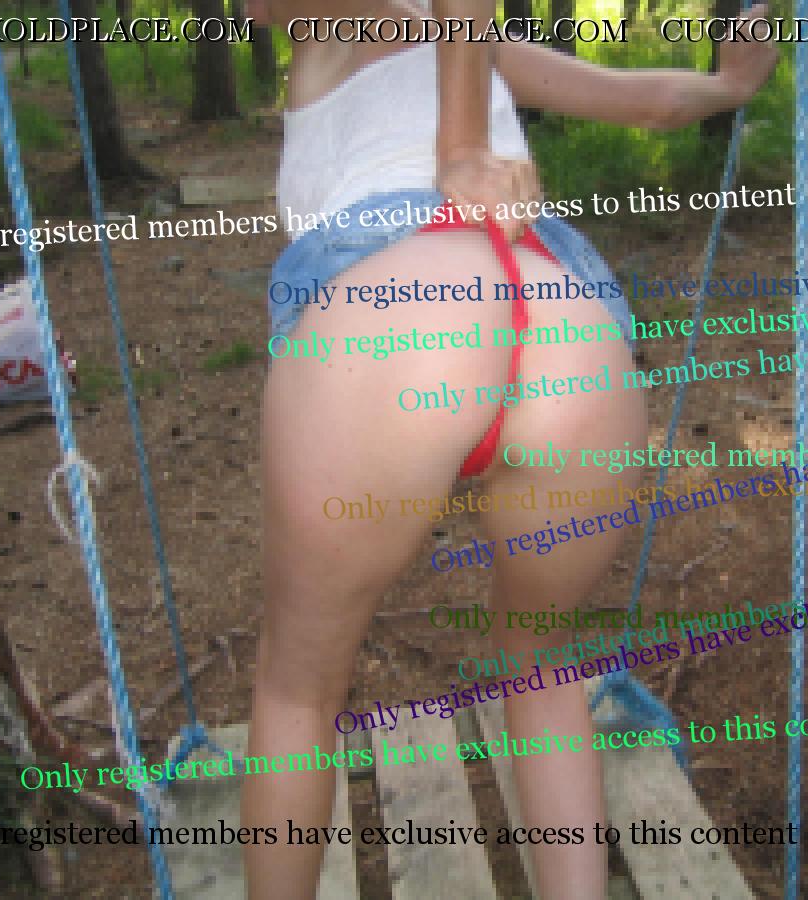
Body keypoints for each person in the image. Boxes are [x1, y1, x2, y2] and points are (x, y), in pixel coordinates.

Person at [242, 2, 778, 897]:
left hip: (397, 318)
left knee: (298, 689)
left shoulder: (336, 23)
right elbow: (649, 102)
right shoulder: (472, 41)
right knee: (542, 664)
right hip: (565, 325)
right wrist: (730, 84)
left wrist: (459, 144)